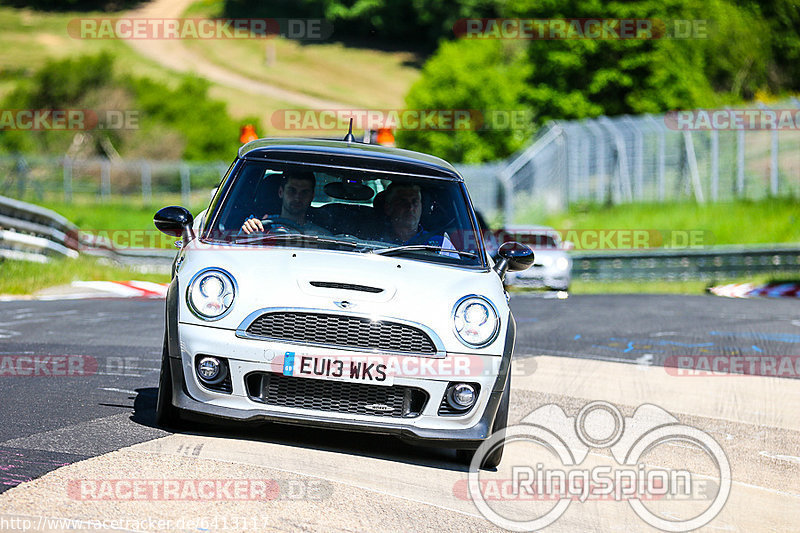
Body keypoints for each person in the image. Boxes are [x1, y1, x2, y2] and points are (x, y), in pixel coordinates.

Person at [380, 182, 458, 256]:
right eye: (403, 202)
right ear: (388, 208)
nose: (410, 208)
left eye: (415, 202)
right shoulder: (375, 242)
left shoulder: (441, 245)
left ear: (422, 207)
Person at [240, 171, 329, 235]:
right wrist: (246, 232)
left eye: (304, 192)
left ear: (312, 197)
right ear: (280, 192)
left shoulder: (322, 236)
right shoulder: (259, 226)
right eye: (292, 191)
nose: (297, 197)